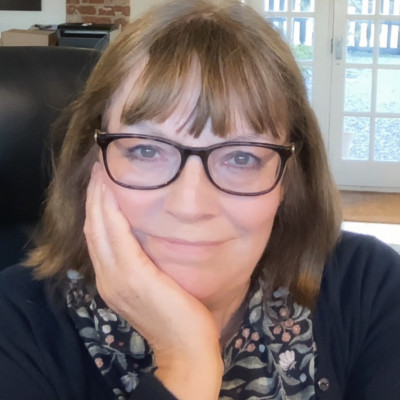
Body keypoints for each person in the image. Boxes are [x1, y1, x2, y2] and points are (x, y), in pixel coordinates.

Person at [1, 0, 400, 399]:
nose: (189, 206)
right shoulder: (14, 324)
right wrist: (187, 362)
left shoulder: (367, 288)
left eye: (241, 157)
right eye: (146, 150)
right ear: (92, 163)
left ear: (290, 178)